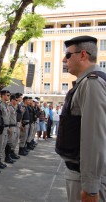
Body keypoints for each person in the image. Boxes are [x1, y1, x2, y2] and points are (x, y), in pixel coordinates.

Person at [55, 35, 106, 202]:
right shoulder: (88, 82)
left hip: (84, 177)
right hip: (81, 173)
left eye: (68, 55)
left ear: (83, 55)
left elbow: (93, 137)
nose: (64, 59)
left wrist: (91, 187)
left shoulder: (91, 83)